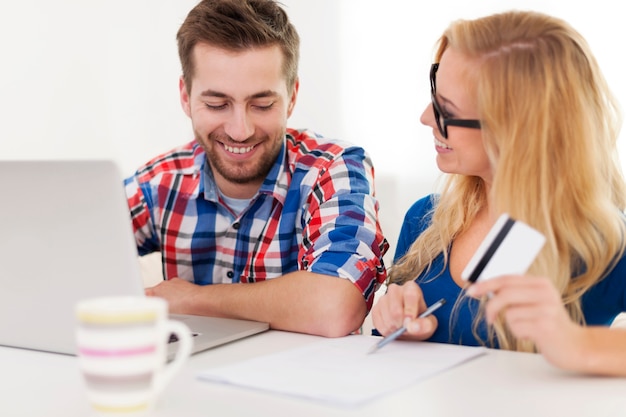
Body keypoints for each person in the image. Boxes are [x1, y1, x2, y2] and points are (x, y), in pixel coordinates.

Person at [371, 10, 626, 376]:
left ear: (516, 130)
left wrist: (574, 343)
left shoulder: (605, 242)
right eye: (434, 96)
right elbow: (387, 343)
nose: (426, 118)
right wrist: (395, 321)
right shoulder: (425, 223)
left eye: (446, 110)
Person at [124, 0, 388, 337]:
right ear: (185, 96)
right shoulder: (158, 183)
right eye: (217, 104)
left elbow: (336, 306)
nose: (240, 130)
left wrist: (194, 299)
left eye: (262, 105)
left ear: (292, 96)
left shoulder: (333, 169)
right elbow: (59, 255)